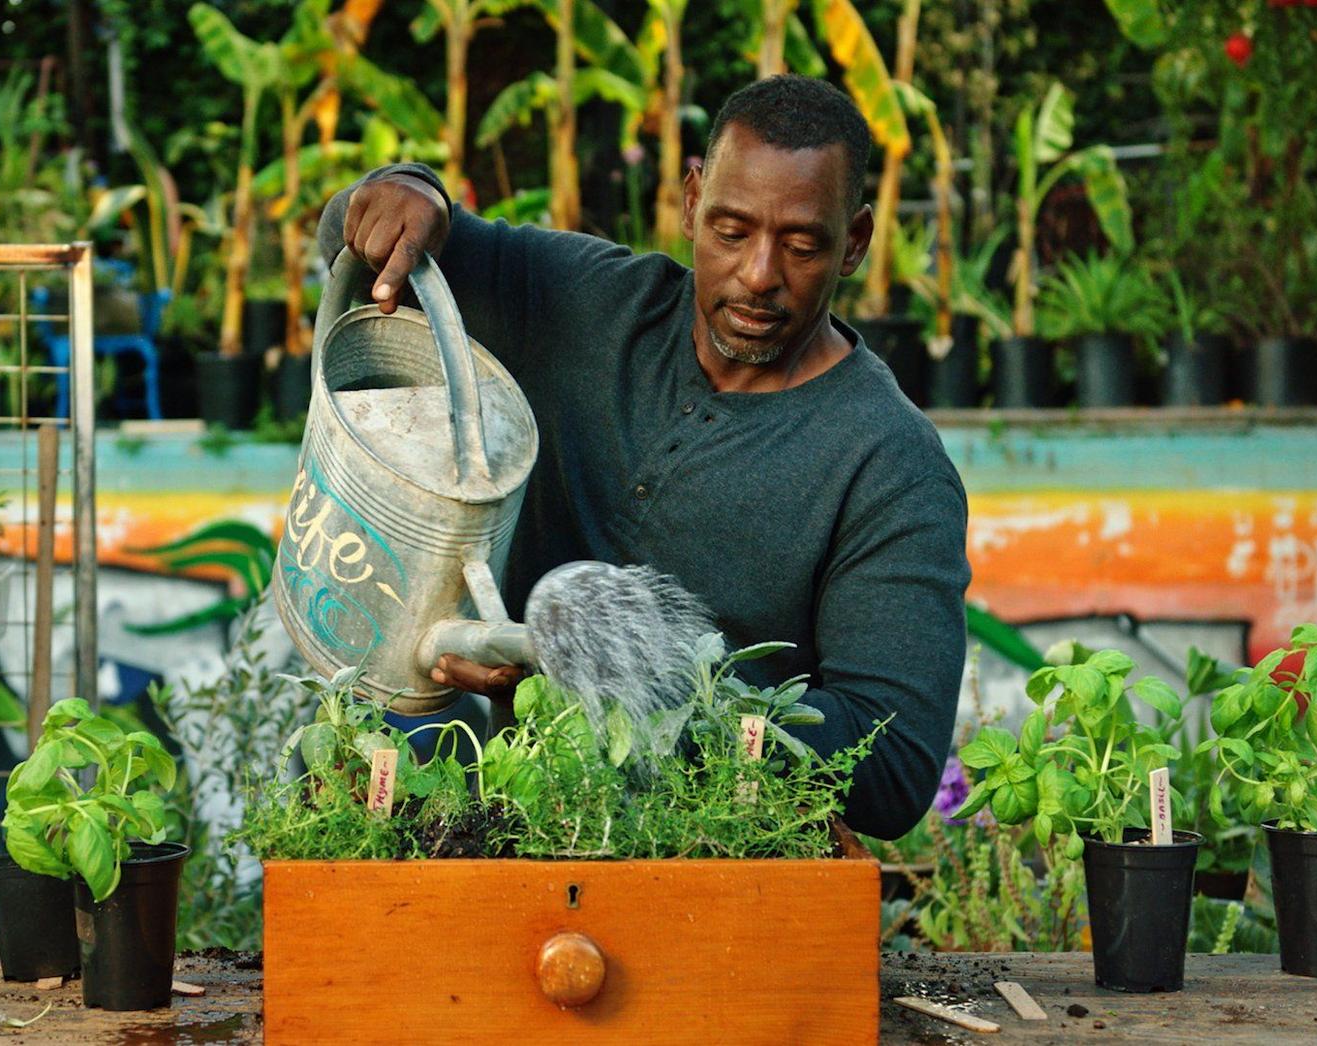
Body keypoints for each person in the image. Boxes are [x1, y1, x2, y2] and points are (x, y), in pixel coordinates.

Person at [314, 75, 970, 840]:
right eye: (730, 231)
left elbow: (892, 769)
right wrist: (410, 189)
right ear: (692, 200)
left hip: (718, 861)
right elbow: (356, 238)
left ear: (853, 242)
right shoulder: (587, 302)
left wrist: (636, 691)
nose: (759, 275)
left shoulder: (889, 463)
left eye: (800, 245)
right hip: (508, 821)